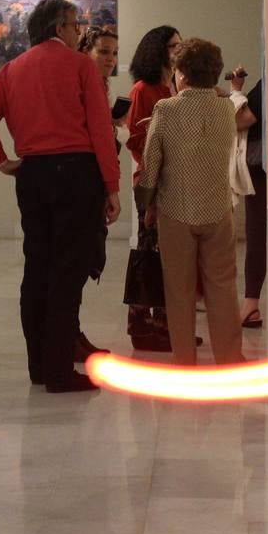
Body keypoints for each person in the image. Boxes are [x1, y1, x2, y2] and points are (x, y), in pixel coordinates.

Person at [0, 0, 121, 393]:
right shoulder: (81, 66)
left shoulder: (12, 69)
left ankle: (39, 365)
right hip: (76, 174)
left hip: (33, 175)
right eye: (75, 25)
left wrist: (1, 159)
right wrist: (112, 186)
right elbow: (100, 131)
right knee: (67, 273)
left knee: (36, 270)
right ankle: (58, 371)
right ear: (59, 28)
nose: (78, 32)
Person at [136, 38, 246, 367]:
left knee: (179, 291)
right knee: (223, 286)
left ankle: (185, 359)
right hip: (217, 209)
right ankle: (229, 357)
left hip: (176, 210)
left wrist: (147, 204)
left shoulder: (166, 109)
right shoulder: (226, 108)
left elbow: (151, 164)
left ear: (180, 72)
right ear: (215, 73)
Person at [123, 25, 181, 350]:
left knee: (167, 257)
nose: (177, 50)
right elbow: (135, 138)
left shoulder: (171, 85)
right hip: (150, 181)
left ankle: (165, 324)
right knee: (149, 256)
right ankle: (145, 327)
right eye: (173, 45)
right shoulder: (143, 90)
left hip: (171, 181)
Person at [72, 26, 122, 362]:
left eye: (114, 53)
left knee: (83, 260)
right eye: (103, 51)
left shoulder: (100, 86)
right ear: (86, 51)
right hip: (82, 180)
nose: (110, 59)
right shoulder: (81, 85)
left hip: (93, 180)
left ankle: (72, 333)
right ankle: (69, 334)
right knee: (76, 262)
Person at [237, 77, 267, 328]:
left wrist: (235, 92)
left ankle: (250, 304)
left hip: (260, 169)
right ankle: (250, 305)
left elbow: (243, 119)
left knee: (256, 233)